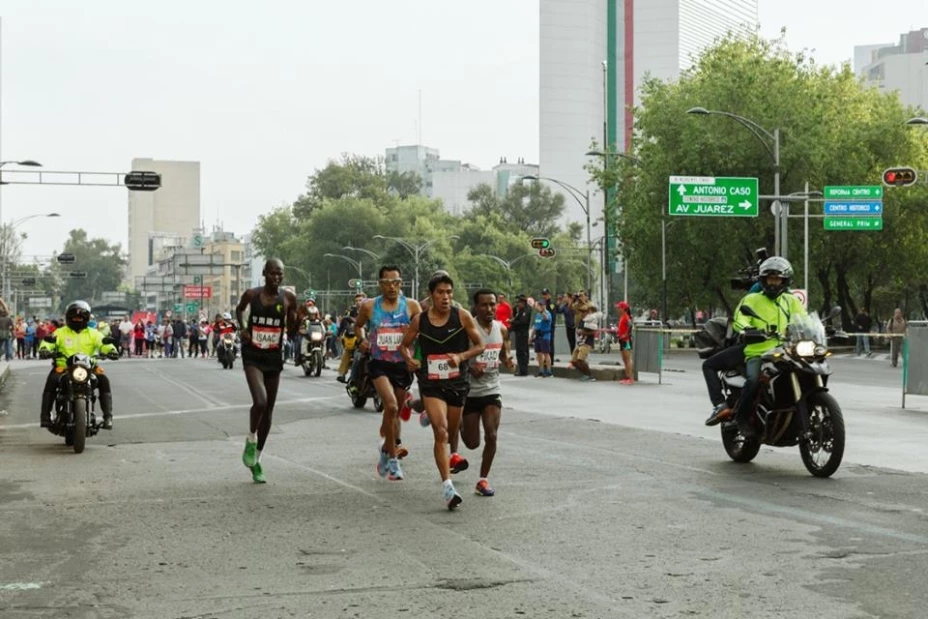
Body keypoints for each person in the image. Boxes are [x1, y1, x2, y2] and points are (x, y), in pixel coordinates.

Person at [400, 271, 484, 510]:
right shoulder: (420, 320)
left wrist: (461, 356)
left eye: (449, 292)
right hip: (431, 383)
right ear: (431, 295)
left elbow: (479, 345)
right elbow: (404, 346)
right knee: (441, 431)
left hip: (457, 383)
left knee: (452, 428)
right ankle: (448, 486)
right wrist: (410, 360)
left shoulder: (462, 316)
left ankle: (448, 460)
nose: (445, 297)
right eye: (440, 293)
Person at [354, 265, 421, 480]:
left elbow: (423, 331)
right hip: (379, 363)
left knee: (394, 412)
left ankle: (384, 450)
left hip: (402, 365)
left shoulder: (411, 306)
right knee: (390, 406)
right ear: (380, 284)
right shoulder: (369, 306)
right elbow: (358, 326)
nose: (392, 287)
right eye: (387, 282)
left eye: (396, 282)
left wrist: (416, 357)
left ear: (401, 283)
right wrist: (362, 340)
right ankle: (393, 460)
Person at [235, 259, 299, 483]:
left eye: (280, 274)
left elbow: (292, 328)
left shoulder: (288, 298)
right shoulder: (251, 295)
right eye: (272, 274)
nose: (276, 278)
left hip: (274, 356)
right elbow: (239, 310)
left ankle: (257, 458)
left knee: (269, 409)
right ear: (264, 274)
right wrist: (243, 329)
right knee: (260, 401)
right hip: (252, 355)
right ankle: (251, 438)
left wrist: (294, 319)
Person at [730, 257, 806, 437]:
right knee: (754, 381)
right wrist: (747, 330)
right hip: (758, 352)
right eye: (770, 279)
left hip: (785, 351)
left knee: (807, 371)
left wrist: (819, 328)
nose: (774, 283)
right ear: (763, 280)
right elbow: (740, 318)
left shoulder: (791, 301)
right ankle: (741, 418)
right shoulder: (752, 299)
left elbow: (802, 319)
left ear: (784, 281)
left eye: (777, 279)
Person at [450, 288, 513, 497]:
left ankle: (482, 480)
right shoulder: (468, 328)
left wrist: (508, 361)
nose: (489, 309)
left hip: (492, 389)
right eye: (484, 305)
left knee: (492, 435)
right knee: (472, 442)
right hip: (469, 391)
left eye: (492, 304)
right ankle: (457, 423)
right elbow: (455, 357)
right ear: (475, 307)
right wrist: (469, 367)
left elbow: (503, 353)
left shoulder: (501, 329)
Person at [38, 301, 119, 429]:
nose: (77, 320)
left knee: (104, 381)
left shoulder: (93, 333)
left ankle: (108, 417)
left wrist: (111, 351)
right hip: (64, 368)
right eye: (74, 318)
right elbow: (49, 342)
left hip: (89, 369)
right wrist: (45, 349)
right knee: (52, 381)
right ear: (68, 318)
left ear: (86, 318)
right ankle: (45, 416)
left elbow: (103, 343)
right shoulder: (60, 332)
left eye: (80, 317)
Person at [509, 295, 530, 376]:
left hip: (523, 333)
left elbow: (523, 322)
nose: (517, 304)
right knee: (519, 352)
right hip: (519, 333)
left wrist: (512, 322)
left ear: (523, 303)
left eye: (519, 303)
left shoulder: (526, 311)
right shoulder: (519, 310)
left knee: (522, 352)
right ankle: (522, 369)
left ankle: (523, 370)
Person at [531, 299, 553, 377]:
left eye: (542, 305)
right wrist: (531, 336)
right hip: (538, 335)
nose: (540, 306)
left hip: (545, 335)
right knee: (539, 354)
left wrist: (541, 311)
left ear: (545, 306)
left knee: (546, 353)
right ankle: (541, 370)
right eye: (539, 305)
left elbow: (546, 318)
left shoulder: (547, 313)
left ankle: (549, 371)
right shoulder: (537, 315)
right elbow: (535, 326)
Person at [616, 301, 634, 385]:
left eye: (619, 308)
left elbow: (630, 325)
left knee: (627, 359)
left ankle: (629, 378)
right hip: (622, 340)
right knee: (624, 359)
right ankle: (627, 377)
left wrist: (625, 334)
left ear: (623, 308)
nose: (618, 309)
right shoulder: (622, 317)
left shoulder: (626, 317)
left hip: (626, 340)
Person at [540, 288, 558, 361]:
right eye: (543, 295)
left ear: (549, 295)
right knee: (544, 344)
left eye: (545, 294)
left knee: (550, 343)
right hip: (543, 327)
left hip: (550, 327)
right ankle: (545, 360)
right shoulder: (542, 304)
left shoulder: (552, 304)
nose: (544, 296)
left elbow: (552, 316)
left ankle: (551, 360)